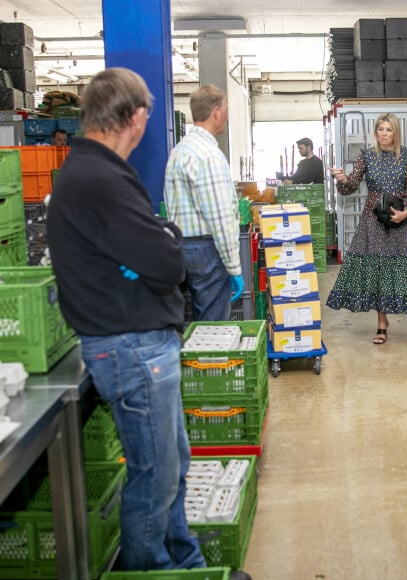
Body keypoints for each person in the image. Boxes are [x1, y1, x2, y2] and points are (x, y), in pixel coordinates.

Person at [47, 67, 208, 573]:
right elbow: (167, 263)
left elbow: (158, 247)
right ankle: (151, 570)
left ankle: (184, 561)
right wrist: (165, 241)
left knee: (171, 467)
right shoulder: (101, 181)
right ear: (136, 117)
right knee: (154, 476)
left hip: (136, 344)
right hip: (132, 349)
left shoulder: (93, 173)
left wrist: (162, 239)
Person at [327, 112, 407, 347]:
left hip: (400, 220)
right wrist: (343, 179)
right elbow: (351, 186)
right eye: (380, 130)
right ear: (376, 132)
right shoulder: (366, 155)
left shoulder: (406, 155)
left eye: (388, 129)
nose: (384, 134)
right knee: (378, 271)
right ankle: (382, 323)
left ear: (396, 132)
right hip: (373, 220)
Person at [164, 84, 244, 322]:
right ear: (216, 111)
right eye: (227, 110)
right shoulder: (209, 155)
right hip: (206, 250)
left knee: (186, 321)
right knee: (212, 327)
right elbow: (220, 218)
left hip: (178, 246)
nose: (227, 117)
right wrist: (234, 267)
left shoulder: (179, 150)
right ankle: (210, 359)